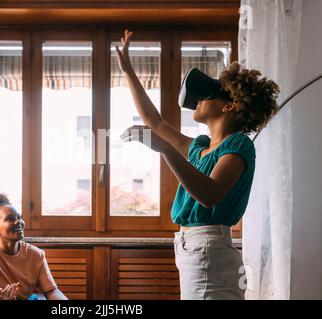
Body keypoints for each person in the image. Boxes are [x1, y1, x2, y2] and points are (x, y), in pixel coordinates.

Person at [116, 30, 279, 299]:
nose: (199, 99)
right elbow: (155, 122)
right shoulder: (201, 147)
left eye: (209, 94)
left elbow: (209, 194)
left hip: (209, 248)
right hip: (191, 247)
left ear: (230, 106)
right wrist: (128, 70)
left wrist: (165, 149)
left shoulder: (239, 145)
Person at [0, 191, 68, 300]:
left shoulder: (36, 255)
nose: (18, 222)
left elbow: (51, 291)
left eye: (19, 217)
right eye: (10, 218)